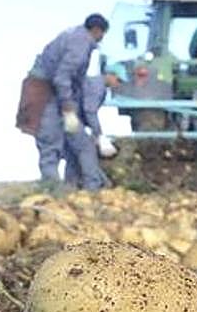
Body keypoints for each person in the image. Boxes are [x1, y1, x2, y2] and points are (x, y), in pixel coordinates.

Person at [16, 13, 109, 182]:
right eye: (101, 35)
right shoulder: (81, 44)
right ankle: (52, 188)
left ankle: (75, 184)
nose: (101, 40)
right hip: (46, 95)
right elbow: (62, 77)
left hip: (54, 93)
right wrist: (68, 105)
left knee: (74, 141)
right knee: (51, 142)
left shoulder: (72, 35)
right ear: (97, 31)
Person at [63, 50, 122, 189]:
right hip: (71, 117)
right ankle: (93, 186)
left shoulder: (94, 84)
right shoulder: (97, 87)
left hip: (67, 115)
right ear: (110, 75)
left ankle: (70, 185)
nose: (118, 84)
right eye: (118, 79)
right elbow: (89, 111)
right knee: (86, 148)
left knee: (73, 151)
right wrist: (99, 134)